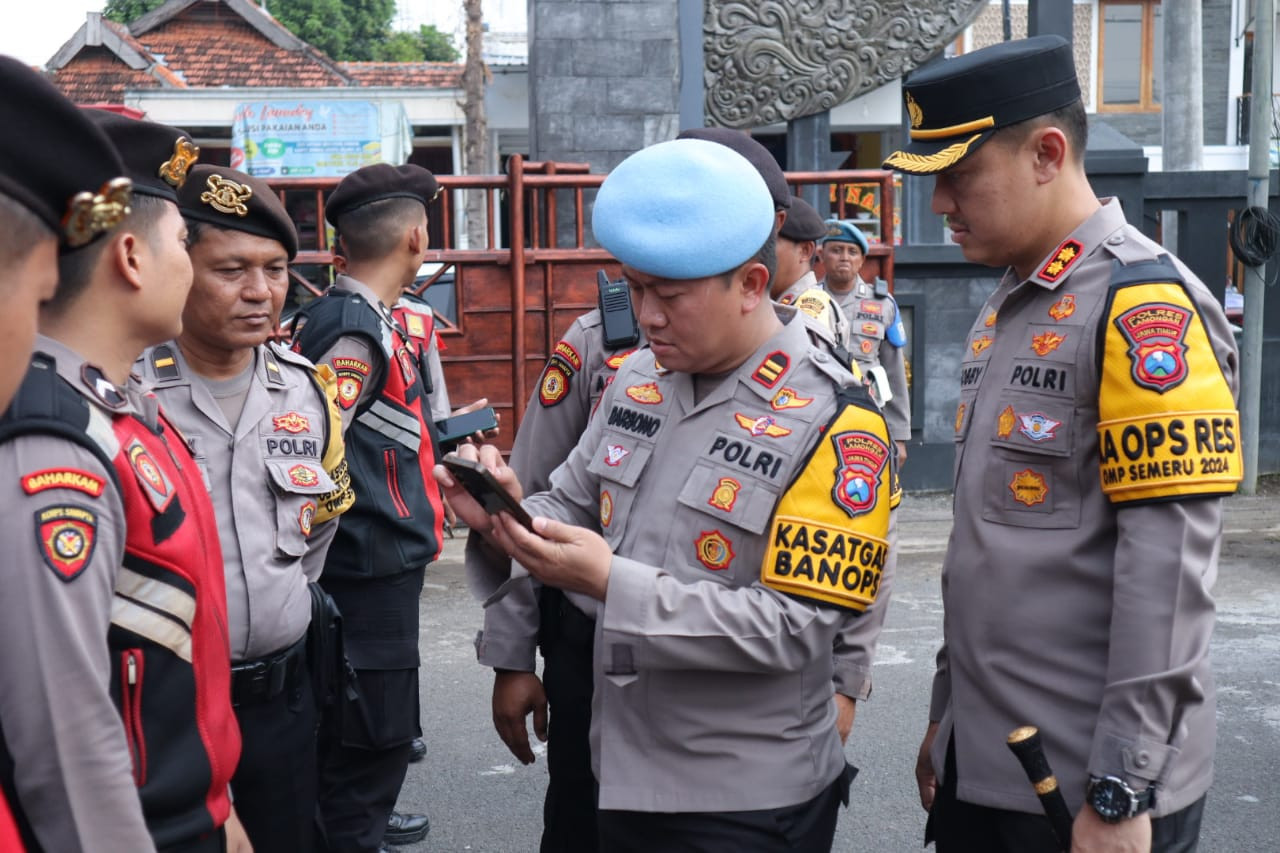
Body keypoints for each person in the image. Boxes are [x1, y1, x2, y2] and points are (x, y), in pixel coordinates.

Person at [443, 137, 895, 851]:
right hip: (618, 763)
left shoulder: (835, 420)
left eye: (669, 296)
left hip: (744, 795)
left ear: (750, 284)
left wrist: (609, 583)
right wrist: (505, 513)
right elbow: (570, 499)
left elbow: (796, 627)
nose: (645, 316)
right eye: (637, 287)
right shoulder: (641, 379)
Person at [882, 35, 1242, 852]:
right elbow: (993, 551)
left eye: (957, 175)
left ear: (1047, 152)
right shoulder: (1014, 299)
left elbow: (1170, 576)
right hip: (993, 762)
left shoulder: (1144, 306)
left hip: (1084, 788)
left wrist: (1122, 786)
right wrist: (950, 720)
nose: (940, 204)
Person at [0, 110, 246, 852]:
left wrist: (217, 803)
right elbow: (66, 747)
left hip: (185, 814)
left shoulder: (125, 407)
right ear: (132, 257)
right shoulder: (57, 445)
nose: (192, 266)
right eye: (184, 243)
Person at [138, 164, 354, 851]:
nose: (261, 292)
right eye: (232, 269)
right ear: (180, 265)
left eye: (277, 268)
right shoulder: (130, 389)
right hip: (163, 707)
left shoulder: (305, 391)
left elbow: (318, 535)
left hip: (282, 700)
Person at [291, 163, 443, 852]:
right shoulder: (353, 326)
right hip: (362, 567)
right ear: (416, 236)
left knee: (370, 742)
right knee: (367, 748)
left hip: (376, 563)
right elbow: (314, 457)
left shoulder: (364, 318)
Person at [819, 219, 912, 464]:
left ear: (862, 260)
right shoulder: (806, 301)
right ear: (822, 255)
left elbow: (895, 373)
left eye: (852, 252)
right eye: (836, 250)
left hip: (867, 414)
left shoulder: (883, 304)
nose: (844, 258)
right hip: (817, 416)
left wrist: (899, 436)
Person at [774, 196, 852, 350]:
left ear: (805, 251)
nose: (761, 253)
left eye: (771, 243)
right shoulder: (785, 303)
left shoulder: (810, 308)